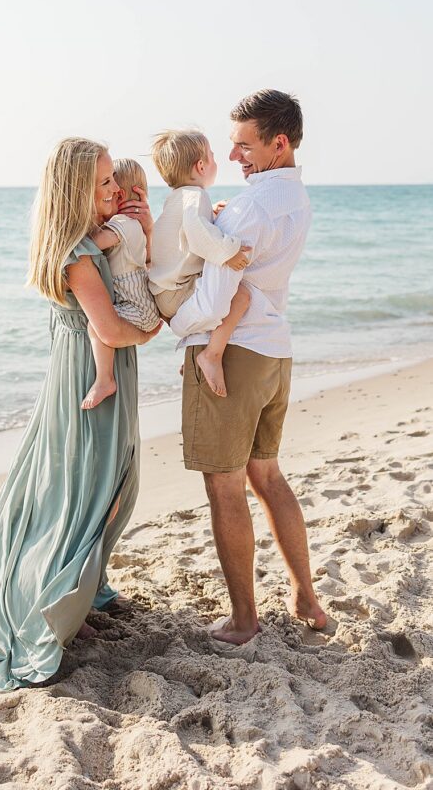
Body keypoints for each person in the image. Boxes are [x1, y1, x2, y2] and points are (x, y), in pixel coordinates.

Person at [0, 137, 161, 691]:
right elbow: (113, 329)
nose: (116, 189)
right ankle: (50, 601)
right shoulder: (76, 256)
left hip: (94, 369)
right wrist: (154, 328)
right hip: (87, 376)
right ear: (76, 189)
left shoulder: (83, 241)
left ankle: (85, 588)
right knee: (86, 487)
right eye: (103, 182)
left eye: (113, 179)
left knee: (105, 481)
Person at [171, 90, 327, 644]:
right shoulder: (296, 197)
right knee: (268, 476)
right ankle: (307, 598)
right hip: (275, 350)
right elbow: (249, 258)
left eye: (244, 145)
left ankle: (243, 619)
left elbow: (219, 292)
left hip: (233, 352)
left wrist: (191, 336)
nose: (235, 156)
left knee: (225, 487)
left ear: (278, 142)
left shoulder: (249, 206)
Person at [148, 129, 251, 396]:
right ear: (201, 165)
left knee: (216, 300)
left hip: (164, 293)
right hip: (178, 291)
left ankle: (193, 356)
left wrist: (210, 213)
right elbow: (196, 229)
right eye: (213, 157)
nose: (217, 162)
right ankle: (211, 356)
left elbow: (188, 227)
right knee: (240, 297)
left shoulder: (179, 198)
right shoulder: (196, 196)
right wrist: (229, 252)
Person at [83, 158, 161, 410]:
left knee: (97, 326)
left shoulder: (123, 224)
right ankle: (105, 379)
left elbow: (94, 242)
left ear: (124, 194)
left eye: (114, 188)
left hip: (136, 305)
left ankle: (105, 380)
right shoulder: (132, 224)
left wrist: (76, 230)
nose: (110, 192)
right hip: (139, 302)